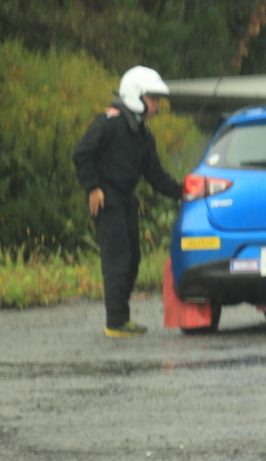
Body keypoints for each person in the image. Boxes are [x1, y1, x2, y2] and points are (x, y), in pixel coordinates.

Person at [73, 66, 183, 337]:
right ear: (135, 95)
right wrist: (92, 187)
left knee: (133, 258)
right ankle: (116, 323)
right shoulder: (108, 121)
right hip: (107, 199)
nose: (156, 106)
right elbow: (82, 153)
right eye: (153, 100)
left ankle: (122, 318)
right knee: (117, 260)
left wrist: (184, 193)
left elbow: (155, 175)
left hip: (126, 199)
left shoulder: (143, 133)